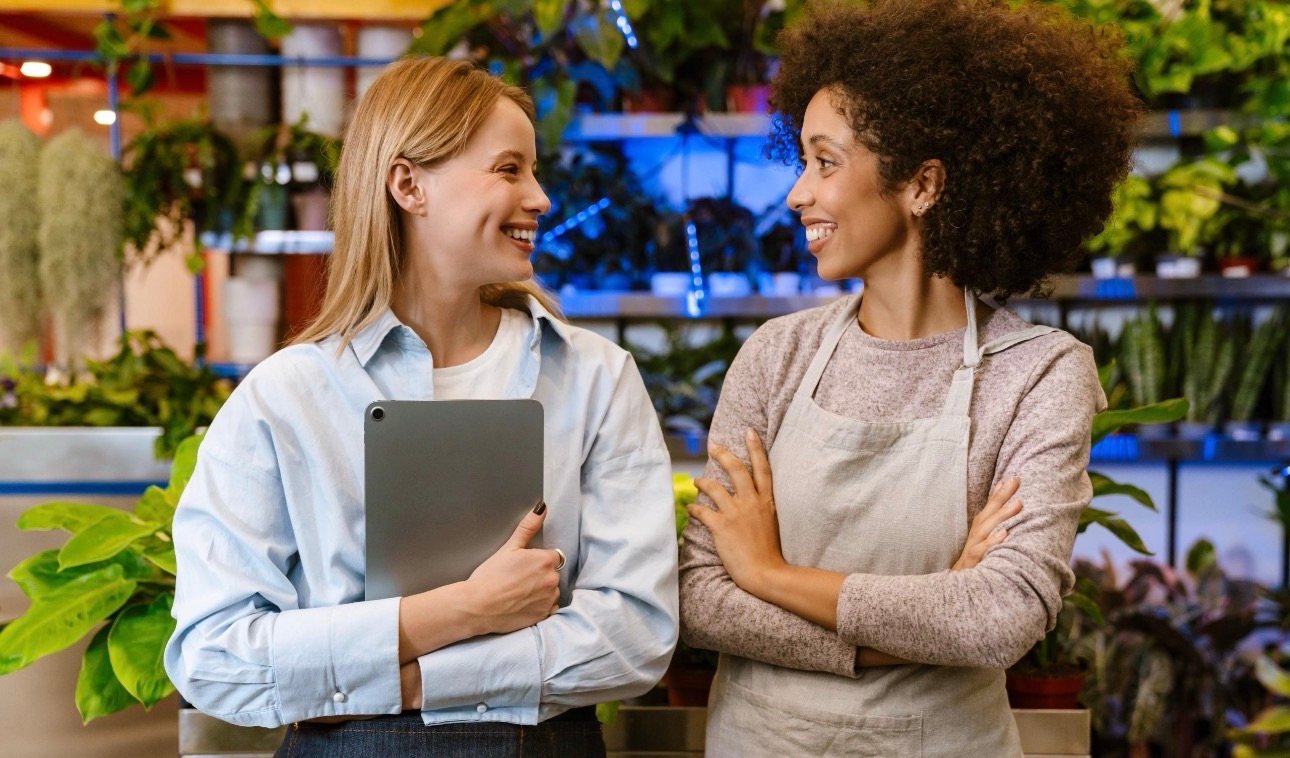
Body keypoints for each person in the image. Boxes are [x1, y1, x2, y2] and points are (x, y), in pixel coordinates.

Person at [164, 56, 678, 757]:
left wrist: (398, 682)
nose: (541, 198)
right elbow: (213, 657)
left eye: (534, 170)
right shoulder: (285, 398)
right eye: (508, 169)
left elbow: (635, 637)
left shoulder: (596, 379)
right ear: (408, 184)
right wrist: (468, 609)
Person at [679, 0, 1141, 755]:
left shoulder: (1038, 374)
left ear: (922, 184)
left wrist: (765, 572)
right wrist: (916, 627)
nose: (798, 192)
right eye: (803, 162)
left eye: (825, 162)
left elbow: (1000, 618)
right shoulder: (776, 356)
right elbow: (700, 595)